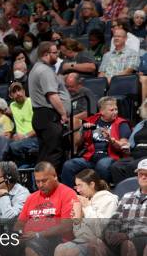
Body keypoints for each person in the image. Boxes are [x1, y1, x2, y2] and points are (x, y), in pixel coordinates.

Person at [52, 169, 117, 256]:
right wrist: (77, 219)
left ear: (92, 184)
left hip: (104, 244)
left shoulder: (108, 199)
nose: (77, 189)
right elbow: (79, 233)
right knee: (60, 249)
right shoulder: (83, 201)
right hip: (85, 240)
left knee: (71, 251)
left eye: (80, 185)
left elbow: (99, 230)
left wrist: (86, 208)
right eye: (76, 186)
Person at [16, 162, 77, 256]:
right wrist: (17, 234)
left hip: (57, 240)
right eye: (37, 181)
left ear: (55, 176)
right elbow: (19, 223)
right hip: (30, 236)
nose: (40, 185)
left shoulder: (67, 193)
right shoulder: (32, 197)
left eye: (44, 180)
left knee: (32, 245)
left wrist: (38, 234)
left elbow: (67, 225)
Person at [91, 159, 147, 256]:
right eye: (141, 174)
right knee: (95, 242)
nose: (143, 177)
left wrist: (127, 234)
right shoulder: (127, 196)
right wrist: (110, 233)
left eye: (146, 174)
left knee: (129, 243)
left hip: (141, 242)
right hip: (122, 241)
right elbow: (115, 220)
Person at [61, 96, 130, 186]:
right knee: (69, 165)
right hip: (91, 158)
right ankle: (70, 194)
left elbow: (123, 146)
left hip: (111, 157)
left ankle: (101, 191)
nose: (115, 112)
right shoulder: (92, 121)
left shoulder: (121, 124)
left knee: (102, 165)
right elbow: (77, 144)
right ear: (101, 111)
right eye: (111, 110)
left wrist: (110, 139)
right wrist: (83, 131)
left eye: (116, 109)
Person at [28, 41, 70, 172]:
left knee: (45, 154)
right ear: (46, 54)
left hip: (41, 116)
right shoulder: (45, 71)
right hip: (48, 116)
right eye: (55, 52)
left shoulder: (36, 68)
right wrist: (63, 113)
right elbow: (52, 95)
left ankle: (42, 186)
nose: (57, 55)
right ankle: (50, 187)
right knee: (53, 154)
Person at [110, 99, 147, 183]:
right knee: (116, 166)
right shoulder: (141, 124)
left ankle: (138, 192)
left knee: (132, 166)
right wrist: (127, 148)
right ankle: (122, 192)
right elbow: (130, 143)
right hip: (135, 155)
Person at [8, 83, 39, 163]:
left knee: (13, 146)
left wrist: (25, 136)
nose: (18, 93)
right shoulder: (12, 105)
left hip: (34, 137)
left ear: (24, 91)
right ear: (11, 96)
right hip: (20, 140)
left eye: (19, 90)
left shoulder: (32, 102)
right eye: (14, 92)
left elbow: (39, 126)